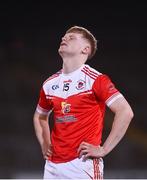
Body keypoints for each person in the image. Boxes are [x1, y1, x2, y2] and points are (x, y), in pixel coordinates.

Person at [33, 25, 134, 179]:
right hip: (52, 166)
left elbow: (125, 111)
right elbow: (40, 116)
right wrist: (45, 142)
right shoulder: (49, 84)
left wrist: (104, 149)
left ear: (85, 49)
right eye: (63, 37)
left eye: (71, 37)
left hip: (82, 164)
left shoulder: (96, 79)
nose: (64, 38)